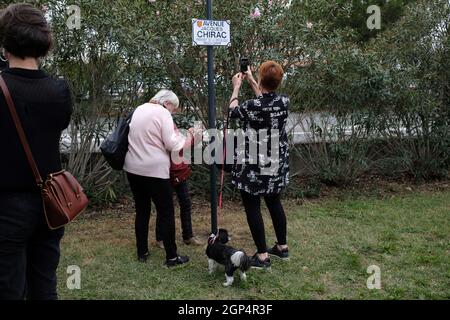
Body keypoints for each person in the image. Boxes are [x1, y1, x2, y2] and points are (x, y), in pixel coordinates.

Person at [0, 4, 73, 299]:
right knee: (45, 284)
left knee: (8, 287)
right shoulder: (59, 90)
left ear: (5, 43)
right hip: (50, 202)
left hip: (6, 206)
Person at [124, 89, 198, 267]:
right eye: (174, 108)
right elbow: (173, 144)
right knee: (166, 212)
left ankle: (142, 252)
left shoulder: (139, 109)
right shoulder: (163, 112)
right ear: (166, 103)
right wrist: (190, 138)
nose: (173, 112)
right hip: (155, 170)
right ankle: (172, 258)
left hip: (133, 168)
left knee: (142, 211)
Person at [228, 61, 290, 269]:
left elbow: (233, 111)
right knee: (274, 201)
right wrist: (254, 80)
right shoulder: (283, 102)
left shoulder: (251, 106)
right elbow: (265, 102)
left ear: (263, 79)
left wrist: (236, 87)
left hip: (254, 162)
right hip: (274, 160)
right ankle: (282, 246)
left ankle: (262, 256)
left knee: (252, 205)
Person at [155, 123, 203, 249]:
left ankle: (188, 236)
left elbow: (185, 146)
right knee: (165, 206)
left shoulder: (171, 124)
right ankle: (160, 238)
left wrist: (196, 136)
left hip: (180, 171)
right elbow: (177, 147)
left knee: (185, 203)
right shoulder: (160, 126)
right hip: (166, 172)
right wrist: (190, 134)